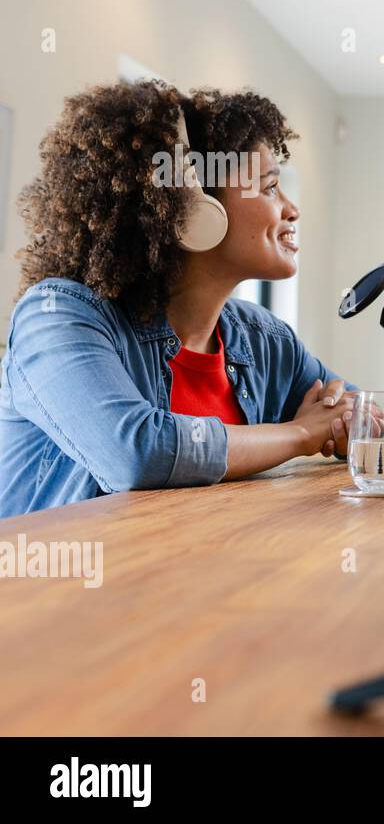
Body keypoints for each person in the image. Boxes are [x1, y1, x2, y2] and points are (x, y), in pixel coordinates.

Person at [0, 80, 355, 517]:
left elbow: (357, 413)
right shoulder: (56, 317)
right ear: (193, 206)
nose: (291, 209)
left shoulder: (263, 340)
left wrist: (352, 420)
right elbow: (136, 454)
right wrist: (301, 434)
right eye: (268, 188)